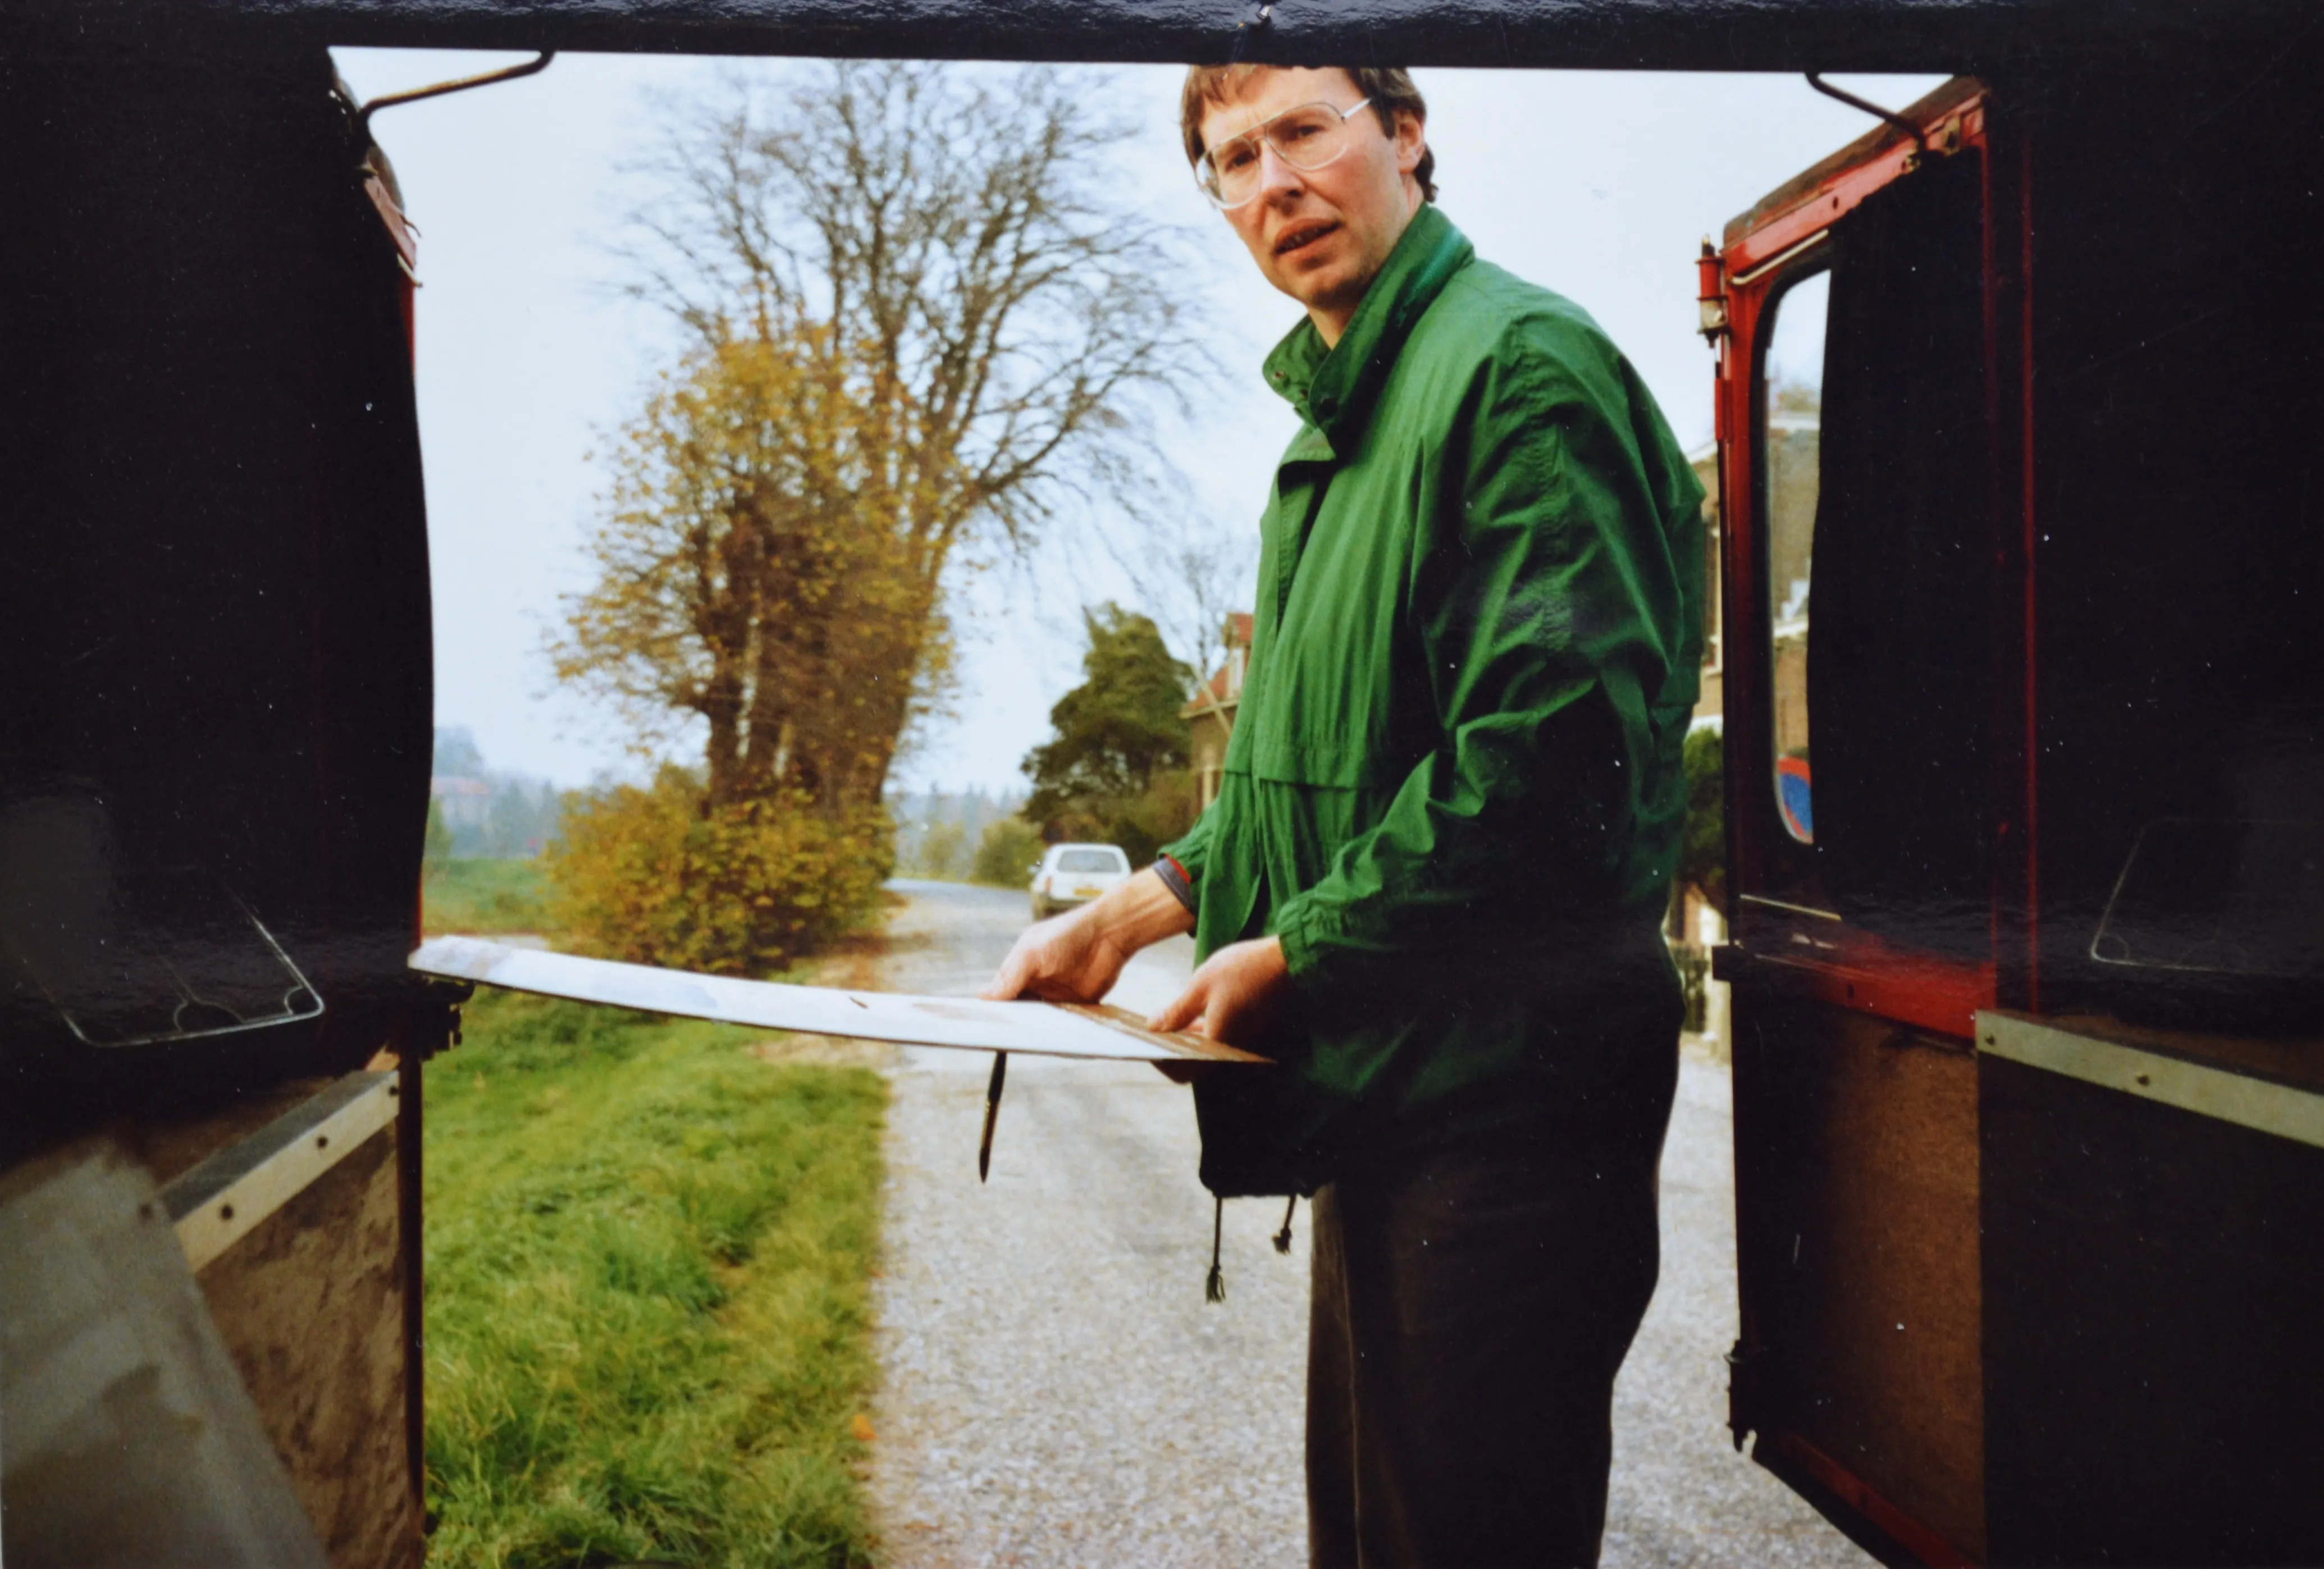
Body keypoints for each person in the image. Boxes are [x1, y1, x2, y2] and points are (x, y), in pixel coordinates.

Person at [984, 63, 1705, 1568]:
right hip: (1390, 1080)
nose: (1272, 186)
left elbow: (1545, 767)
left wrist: (1292, 952)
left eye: (1304, 131)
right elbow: (1315, 778)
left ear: (1407, 134)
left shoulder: (1515, 369)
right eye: (1231, 158)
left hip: (1511, 1104)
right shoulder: (1335, 422)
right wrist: (1129, 914)